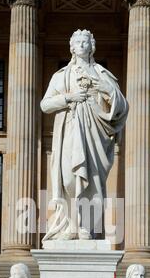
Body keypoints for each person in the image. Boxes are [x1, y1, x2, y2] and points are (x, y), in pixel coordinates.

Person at [41, 29, 128, 241]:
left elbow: (123, 106)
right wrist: (69, 98)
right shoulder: (61, 75)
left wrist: (107, 88)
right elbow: (45, 104)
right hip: (70, 128)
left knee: (94, 183)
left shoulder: (103, 74)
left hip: (96, 132)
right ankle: (71, 226)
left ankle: (85, 228)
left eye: (85, 41)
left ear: (92, 46)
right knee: (70, 180)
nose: (81, 44)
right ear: (71, 47)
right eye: (77, 41)